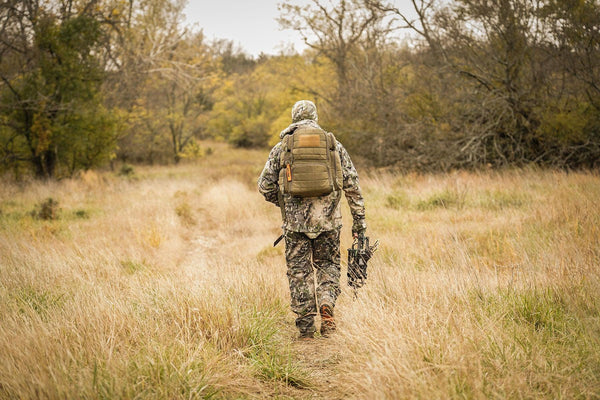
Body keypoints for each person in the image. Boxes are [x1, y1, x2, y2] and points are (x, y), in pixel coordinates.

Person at [257, 100, 367, 339]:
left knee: (299, 271)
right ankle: (327, 307)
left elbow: (264, 186)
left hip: (295, 225)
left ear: (294, 117)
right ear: (315, 117)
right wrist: (359, 223)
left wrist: (285, 204)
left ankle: (305, 327)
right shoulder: (332, 145)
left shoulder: (283, 147)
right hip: (328, 222)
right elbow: (353, 186)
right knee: (328, 265)